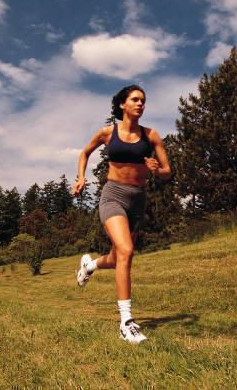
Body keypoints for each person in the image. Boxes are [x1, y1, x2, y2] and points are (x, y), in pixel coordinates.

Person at [72, 85, 171, 344]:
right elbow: (84, 153)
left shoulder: (151, 136)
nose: (140, 104)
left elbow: (167, 171)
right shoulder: (108, 133)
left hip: (137, 200)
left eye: (143, 101)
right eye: (135, 99)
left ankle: (90, 265)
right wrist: (81, 177)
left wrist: (155, 169)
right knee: (127, 251)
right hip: (113, 195)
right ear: (122, 105)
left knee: (118, 258)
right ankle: (126, 322)